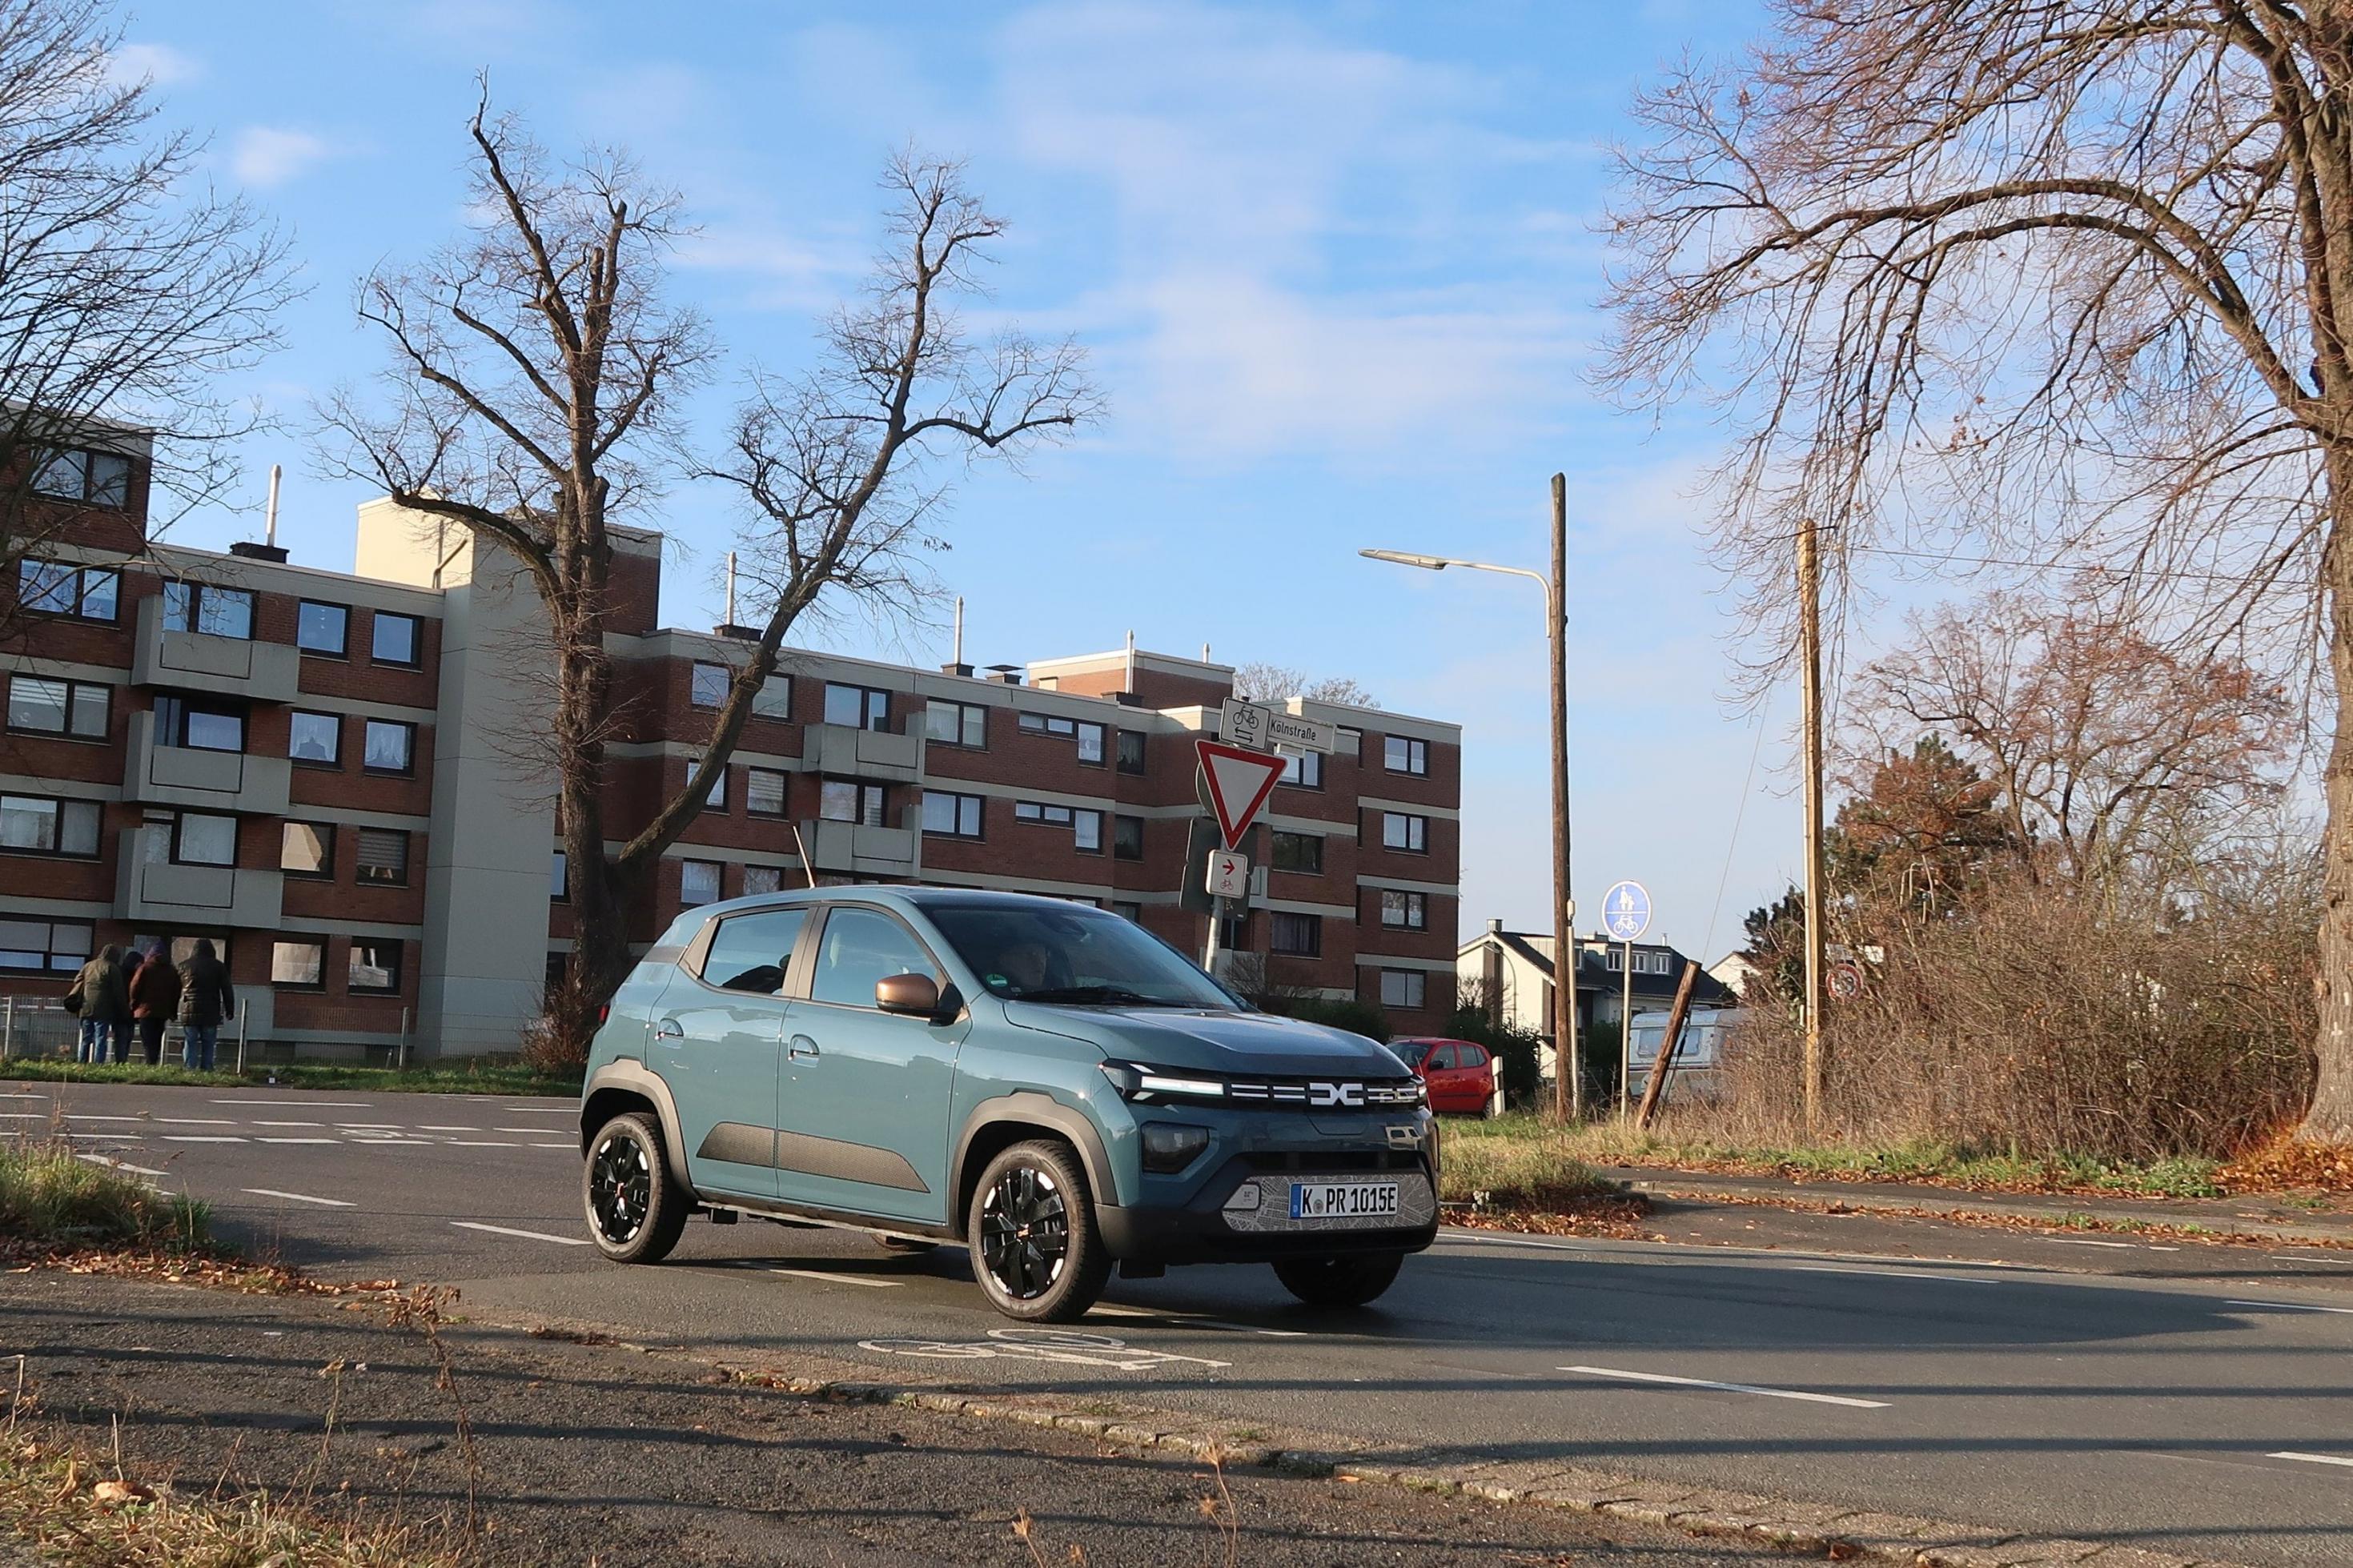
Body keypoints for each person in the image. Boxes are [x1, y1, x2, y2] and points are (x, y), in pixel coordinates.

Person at [175, 938, 234, 1071]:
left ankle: (190, 1068)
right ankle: (207, 1068)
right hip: (211, 1009)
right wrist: (230, 1009)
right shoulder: (218, 966)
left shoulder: (184, 966)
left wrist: (173, 1010)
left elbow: (175, 989)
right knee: (209, 1042)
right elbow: (227, 989)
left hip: (189, 1008)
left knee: (190, 1041)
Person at [67, 944, 131, 1065]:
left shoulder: (88, 966)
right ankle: (98, 1064)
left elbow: (77, 980)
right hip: (104, 1009)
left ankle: (82, 1063)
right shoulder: (112, 967)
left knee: (86, 1038)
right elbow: (119, 992)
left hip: (86, 1007)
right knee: (100, 1038)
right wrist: (124, 1010)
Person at [127, 947, 179, 1065]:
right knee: (157, 1038)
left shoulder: (145, 968)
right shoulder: (171, 970)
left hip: (145, 1010)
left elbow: (135, 987)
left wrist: (133, 1004)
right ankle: (153, 1061)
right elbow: (176, 992)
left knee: (147, 1039)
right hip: (163, 1011)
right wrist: (172, 1011)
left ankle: (149, 1062)